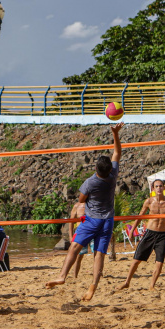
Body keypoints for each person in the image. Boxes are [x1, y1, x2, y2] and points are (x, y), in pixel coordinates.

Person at [46, 122, 124, 301]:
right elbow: (117, 153)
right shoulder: (112, 177)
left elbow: (81, 200)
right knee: (99, 255)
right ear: (109, 169)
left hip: (92, 220)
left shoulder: (90, 182)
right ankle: (93, 287)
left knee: (74, 247)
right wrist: (115, 134)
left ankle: (62, 276)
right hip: (107, 221)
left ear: (96, 168)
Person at [118, 179, 165, 292]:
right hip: (150, 233)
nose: (159, 188)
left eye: (161, 186)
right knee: (136, 260)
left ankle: (152, 285)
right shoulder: (149, 201)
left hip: (162, 235)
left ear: (164, 188)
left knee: (159, 263)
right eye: (157, 186)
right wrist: (132, 231)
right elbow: (140, 216)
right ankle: (126, 282)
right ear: (153, 189)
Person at [68, 201, 88, 278]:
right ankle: (75, 276)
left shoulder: (93, 204)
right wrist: (70, 236)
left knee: (97, 254)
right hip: (81, 232)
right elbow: (71, 221)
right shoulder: (77, 206)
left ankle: (99, 274)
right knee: (79, 255)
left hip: (93, 230)